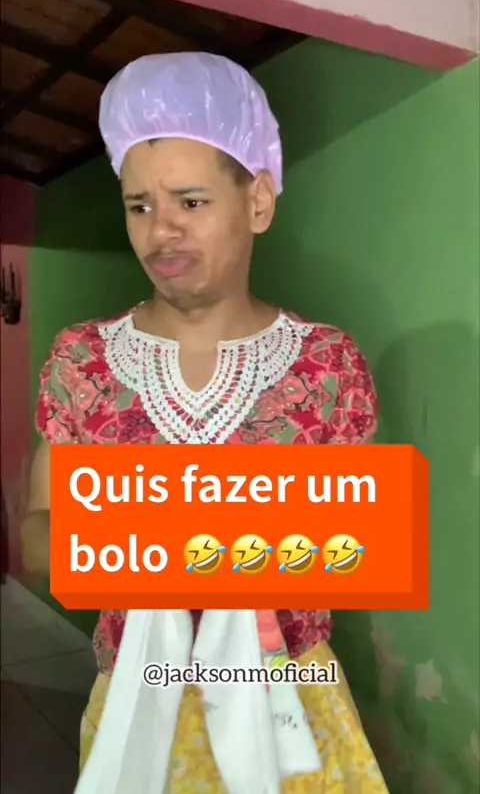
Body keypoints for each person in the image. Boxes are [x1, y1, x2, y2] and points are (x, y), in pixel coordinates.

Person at [22, 52, 388, 792]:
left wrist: (210, 542)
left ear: (258, 202)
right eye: (139, 206)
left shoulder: (326, 367)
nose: (161, 232)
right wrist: (151, 546)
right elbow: (37, 533)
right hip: (137, 704)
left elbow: (359, 542)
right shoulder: (83, 362)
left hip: (291, 704)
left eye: (190, 202)